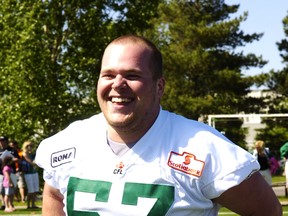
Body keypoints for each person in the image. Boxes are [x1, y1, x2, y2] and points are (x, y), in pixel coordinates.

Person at [35, 35, 282, 215]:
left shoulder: (203, 147)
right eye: (108, 75)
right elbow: (55, 193)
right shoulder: (66, 143)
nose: (117, 84)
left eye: (132, 76)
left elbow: (267, 212)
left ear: (159, 86)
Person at [0, 136, 20, 210]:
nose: (1, 143)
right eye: (0, 141)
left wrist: (12, 159)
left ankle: (10, 204)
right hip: (2, 172)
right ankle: (4, 204)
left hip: (12, 172)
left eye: (3, 141)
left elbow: (18, 159)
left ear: (6, 141)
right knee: (2, 189)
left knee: (11, 190)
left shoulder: (12, 150)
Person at [21, 141, 39, 209]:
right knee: (30, 190)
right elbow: (30, 162)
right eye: (28, 146)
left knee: (35, 190)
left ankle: (33, 204)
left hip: (34, 173)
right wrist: (34, 163)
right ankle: (28, 205)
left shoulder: (33, 154)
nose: (29, 147)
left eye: (31, 146)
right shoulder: (24, 154)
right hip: (28, 174)